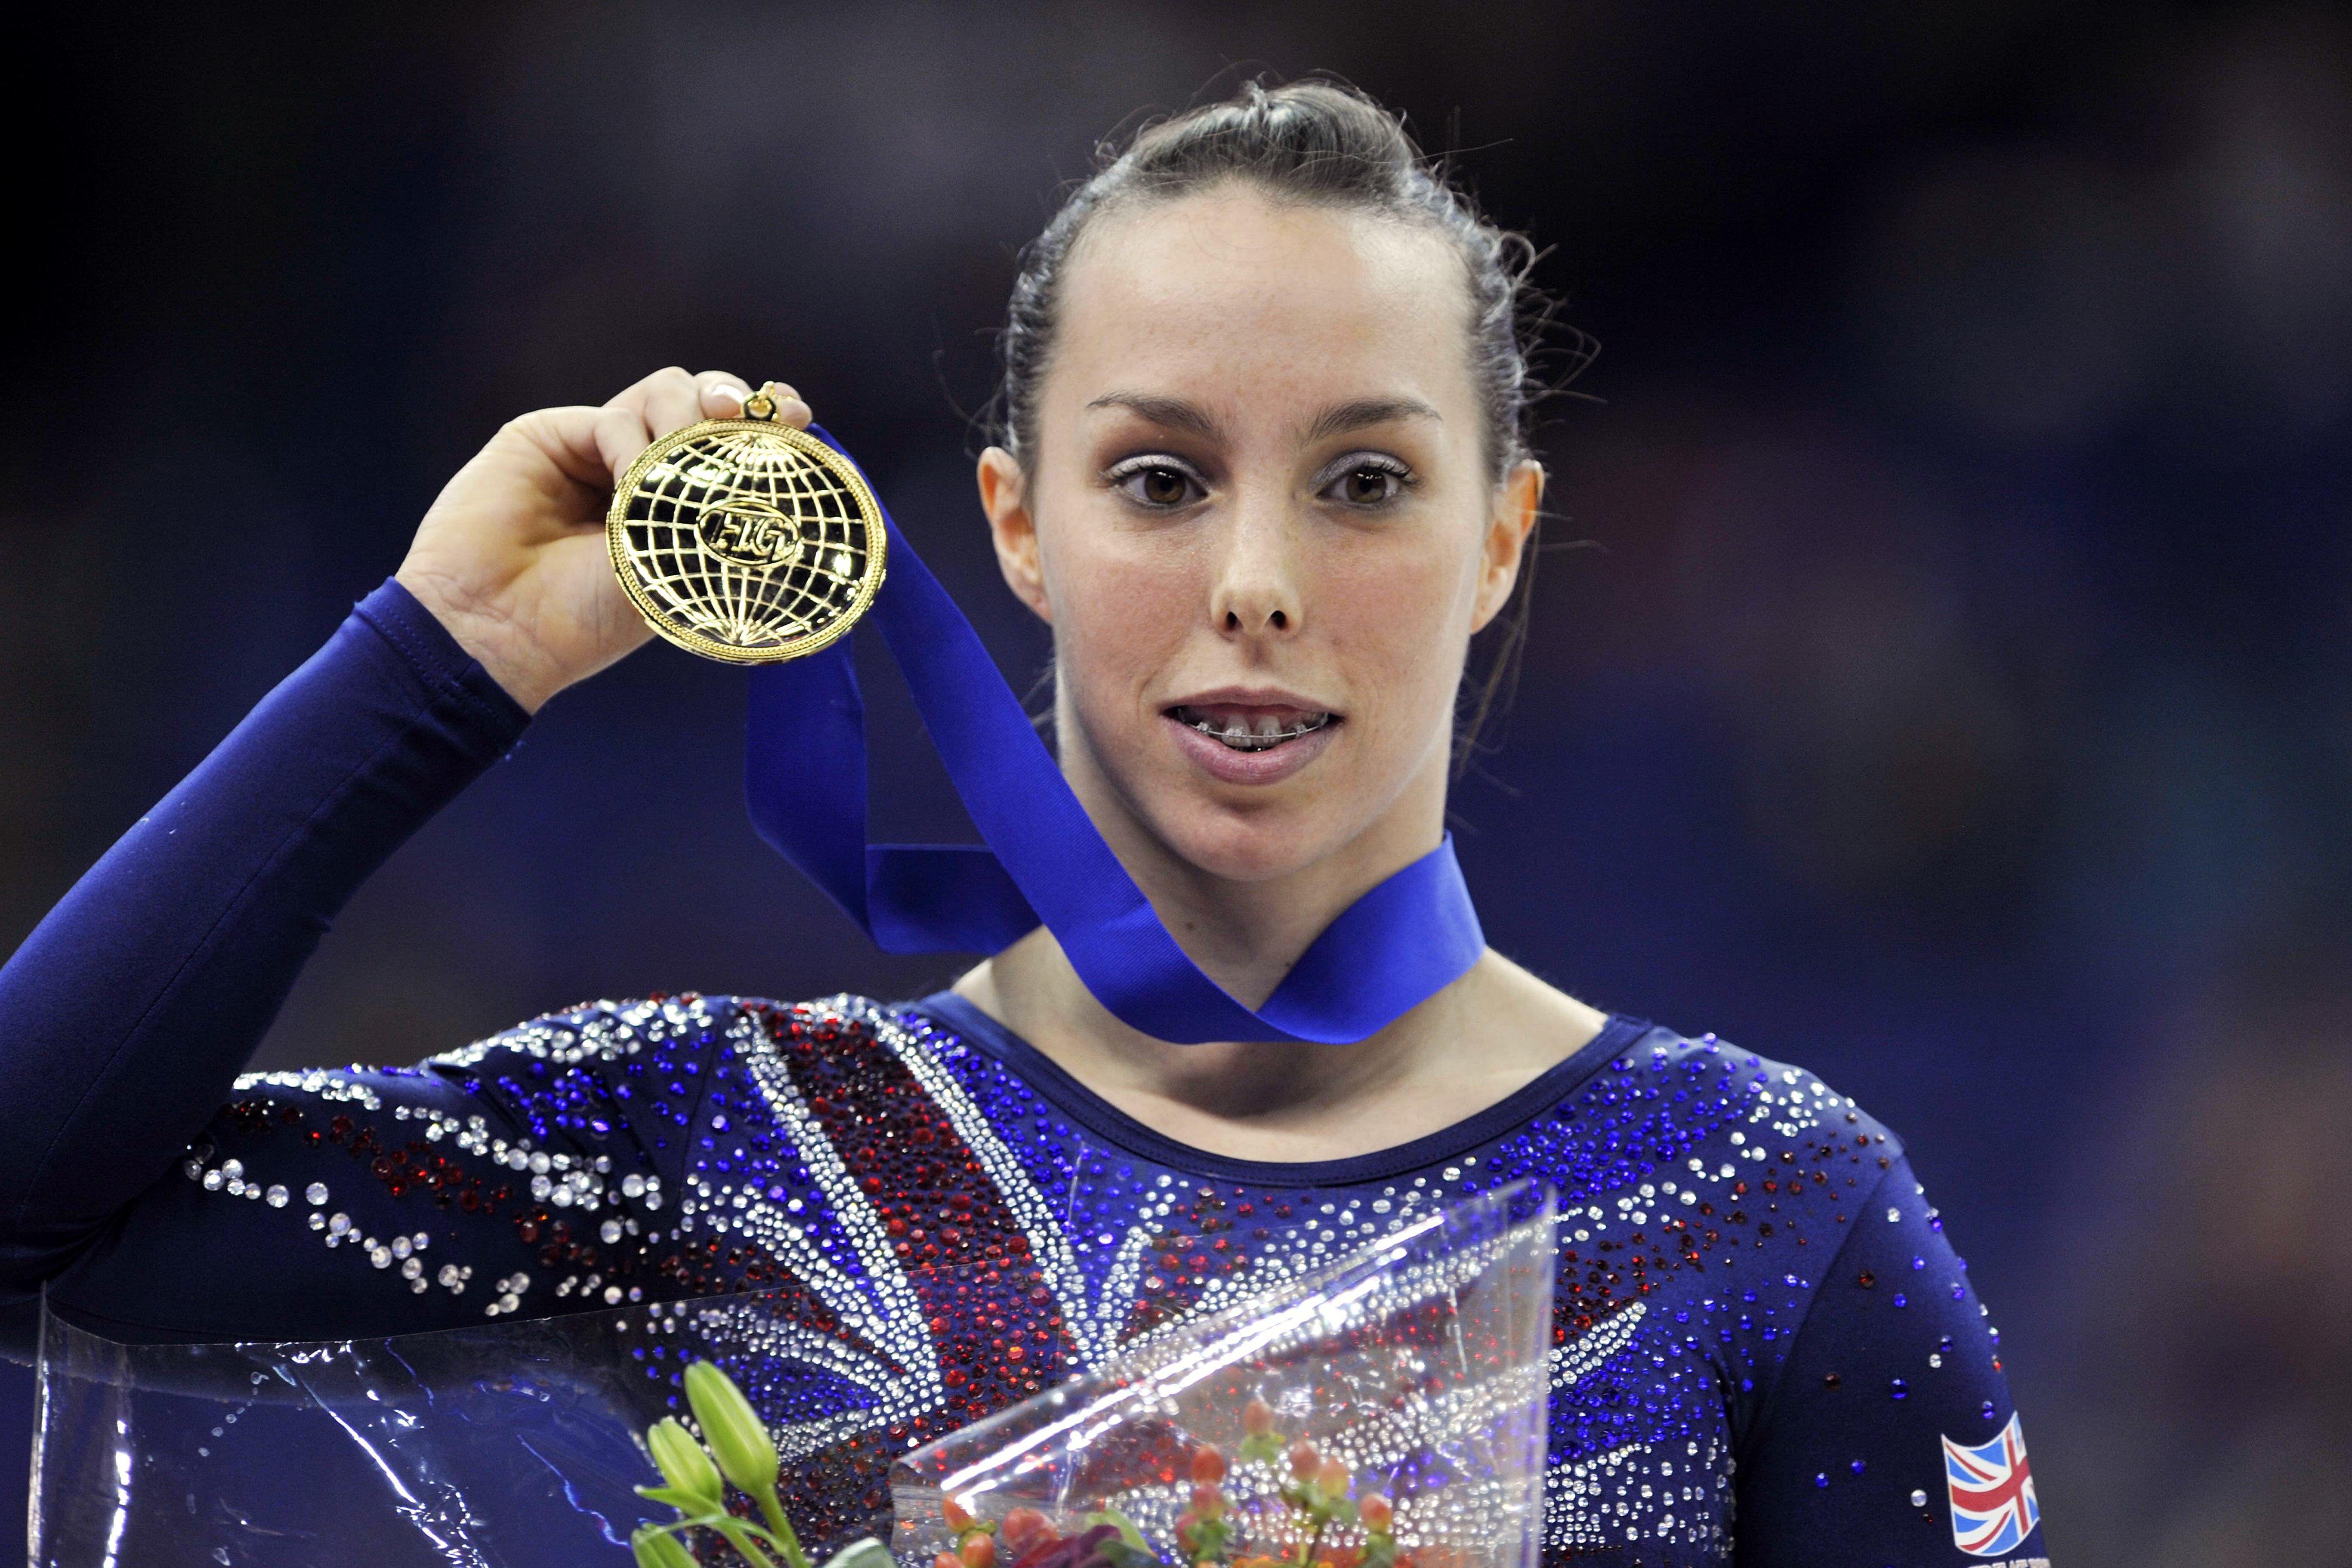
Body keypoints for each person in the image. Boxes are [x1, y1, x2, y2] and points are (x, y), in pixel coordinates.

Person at [0, 81, 2040, 1567]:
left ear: (1499, 535)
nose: (1255, 574)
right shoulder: (733, 1140)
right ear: (1014, 529)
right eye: (1156, 478)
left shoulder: (1760, 1213)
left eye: (1361, 482)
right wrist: (439, 658)